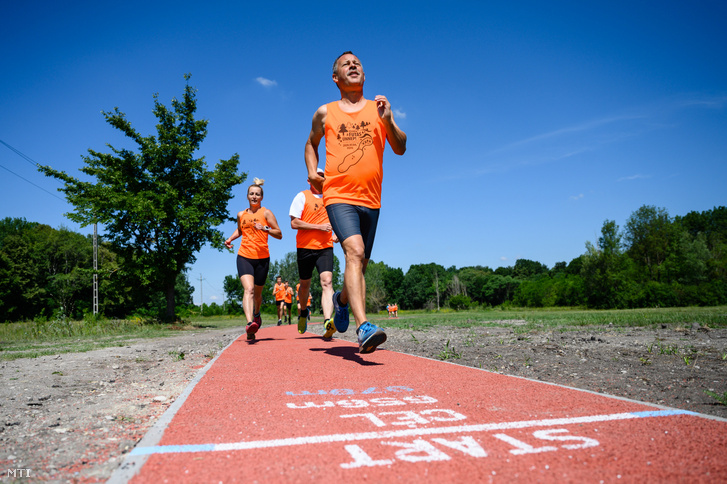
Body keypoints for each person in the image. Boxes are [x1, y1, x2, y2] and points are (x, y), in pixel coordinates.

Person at [304, 51, 407, 353]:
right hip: (337, 195)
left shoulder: (380, 110)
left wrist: (388, 121)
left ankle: (341, 300)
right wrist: (312, 172)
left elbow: (400, 148)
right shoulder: (325, 112)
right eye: (346, 64)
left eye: (358, 63)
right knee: (354, 251)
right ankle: (364, 327)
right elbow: (311, 144)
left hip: (371, 199)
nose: (353, 65)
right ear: (336, 78)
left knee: (360, 266)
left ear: (363, 74)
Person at [224, 178, 282, 341]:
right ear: (247, 196)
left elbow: (279, 234)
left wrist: (265, 228)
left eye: (257, 194)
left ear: (261, 197)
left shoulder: (266, 213)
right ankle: (250, 323)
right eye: (251, 194)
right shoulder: (241, 214)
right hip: (244, 256)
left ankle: (257, 314)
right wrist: (230, 239)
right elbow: (240, 230)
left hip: (262, 259)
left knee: (257, 294)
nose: (254, 196)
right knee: (248, 290)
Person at [289, 167, 338, 337]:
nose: (320, 179)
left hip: (325, 247)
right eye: (316, 177)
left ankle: (327, 322)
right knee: (305, 286)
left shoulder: (331, 198)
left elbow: (337, 219)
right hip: (305, 247)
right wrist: (319, 227)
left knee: (327, 282)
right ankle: (303, 312)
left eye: (323, 176)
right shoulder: (302, 196)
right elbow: (294, 223)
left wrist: (338, 233)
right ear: (309, 180)